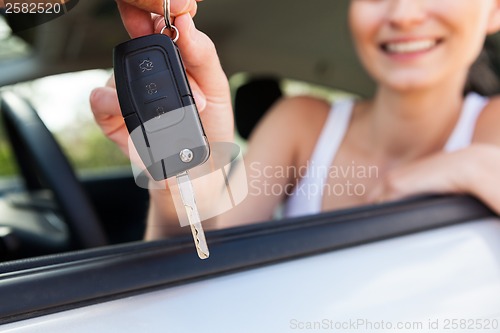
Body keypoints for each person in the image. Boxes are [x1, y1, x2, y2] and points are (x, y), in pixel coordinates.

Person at [90, 0, 500, 239]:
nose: (405, 14)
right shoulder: (302, 123)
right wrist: (184, 179)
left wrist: (472, 166)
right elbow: (204, 263)